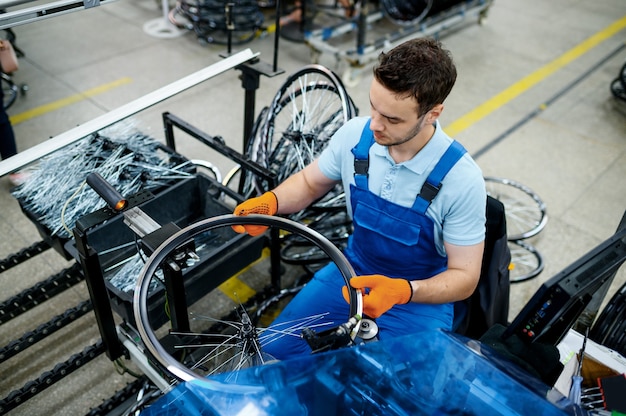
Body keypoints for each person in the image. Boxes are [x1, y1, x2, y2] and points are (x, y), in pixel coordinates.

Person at [233, 37, 487, 360]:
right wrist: (271, 202)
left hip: (417, 302)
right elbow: (311, 183)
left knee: (394, 399)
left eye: (393, 119)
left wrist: (405, 291)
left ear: (433, 113)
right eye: (373, 107)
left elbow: (465, 278)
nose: (376, 125)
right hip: (351, 276)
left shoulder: (461, 180)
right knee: (270, 355)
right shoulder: (356, 136)